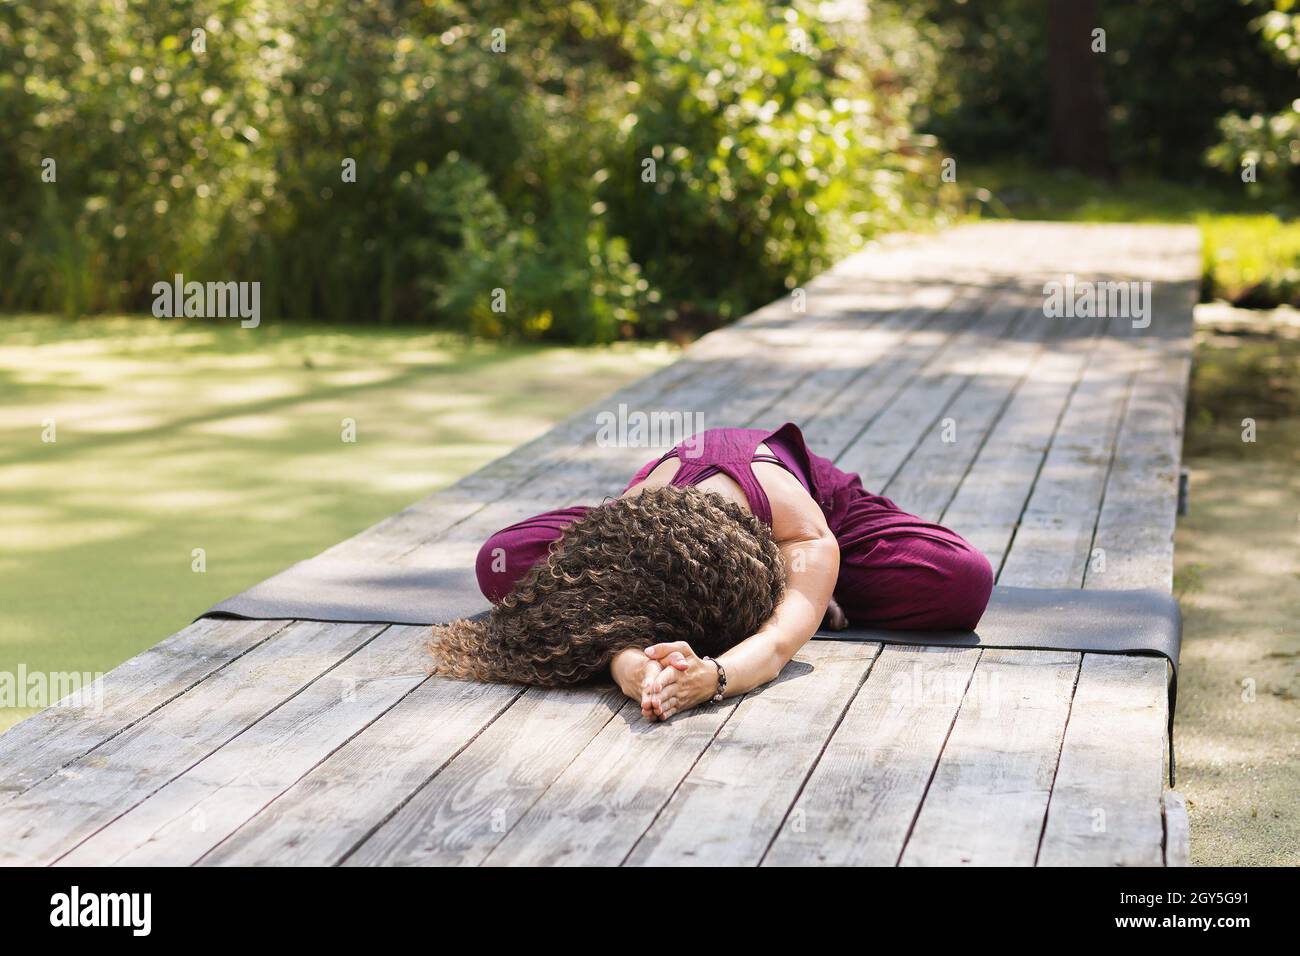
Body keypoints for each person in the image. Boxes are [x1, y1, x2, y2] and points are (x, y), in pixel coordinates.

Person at [428, 423, 992, 722]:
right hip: (661, 525)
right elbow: (594, 613)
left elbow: (773, 647)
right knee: (502, 562)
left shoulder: (805, 533)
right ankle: (795, 594)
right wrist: (632, 669)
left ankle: (816, 587)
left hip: (812, 509)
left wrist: (715, 676)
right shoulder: (633, 522)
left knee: (961, 581)